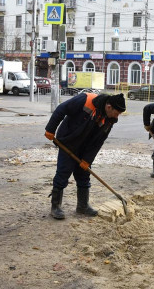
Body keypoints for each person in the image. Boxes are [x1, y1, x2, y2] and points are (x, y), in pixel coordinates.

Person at [44, 92, 126, 220]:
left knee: (83, 173)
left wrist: (88, 160)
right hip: (68, 140)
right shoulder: (86, 100)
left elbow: (99, 141)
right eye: (117, 112)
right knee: (64, 172)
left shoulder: (110, 119)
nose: (117, 116)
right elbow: (61, 109)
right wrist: (50, 129)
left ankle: (82, 206)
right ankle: (55, 207)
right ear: (109, 107)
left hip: (85, 146)